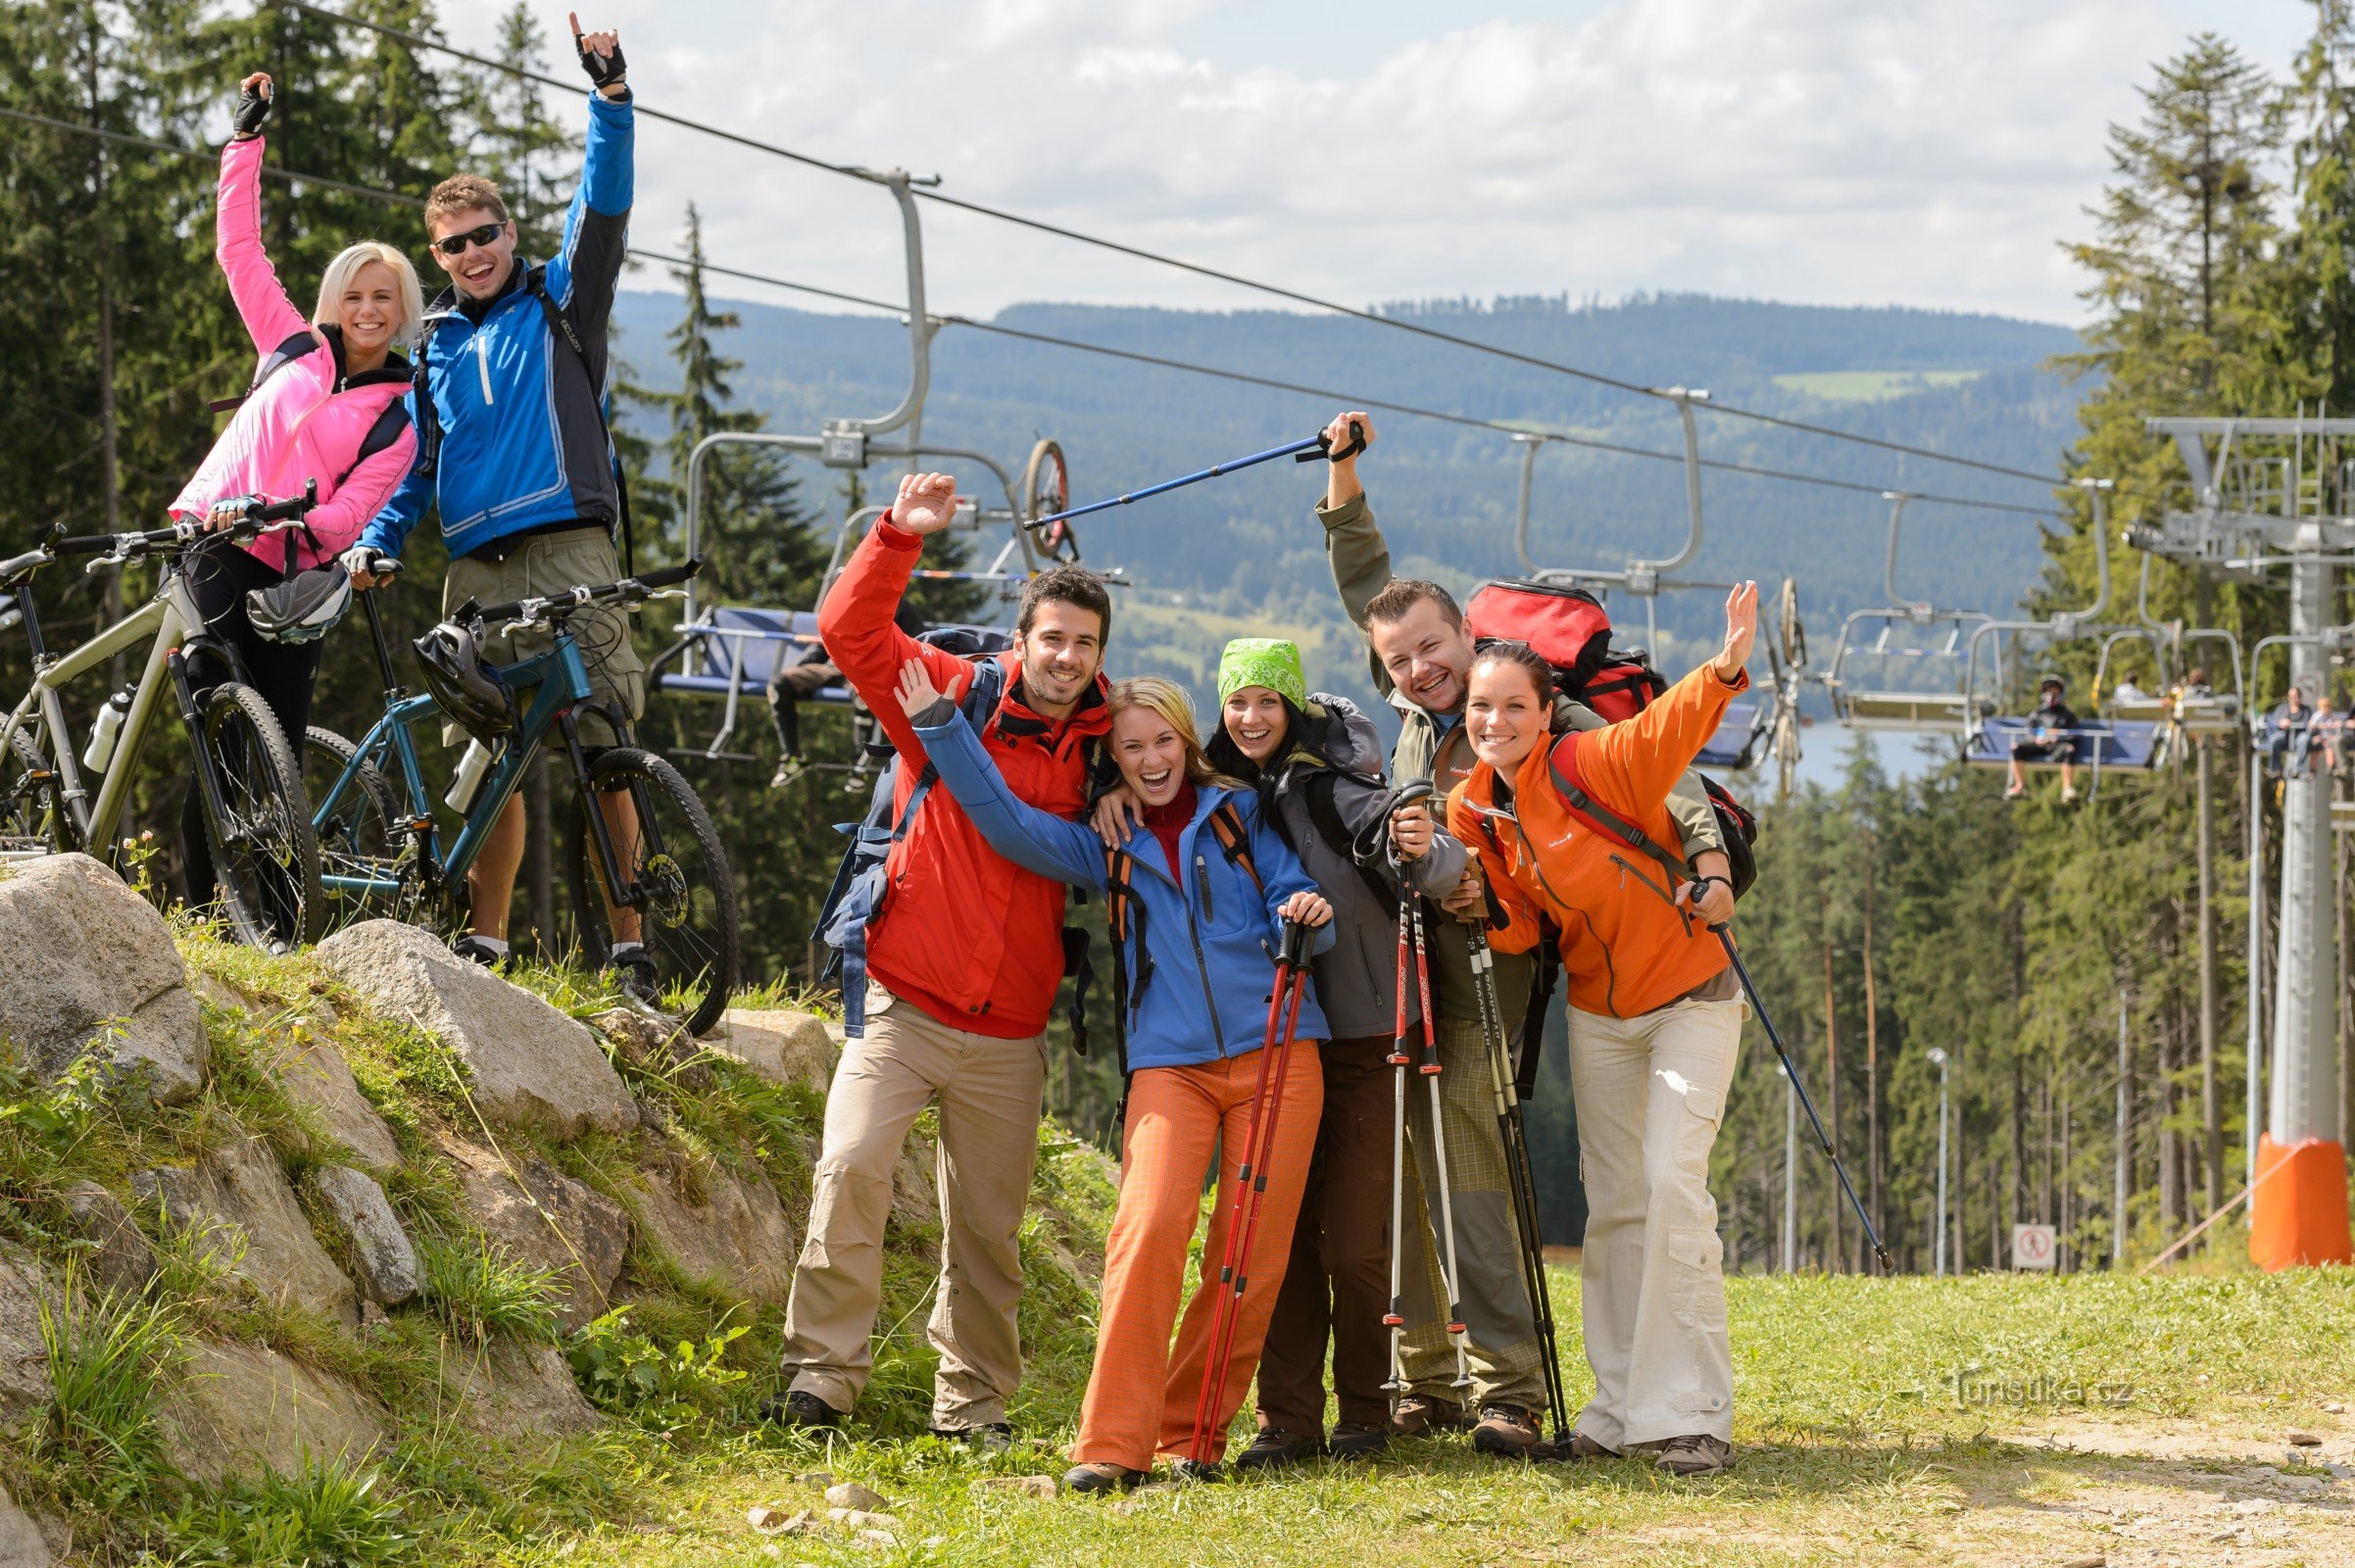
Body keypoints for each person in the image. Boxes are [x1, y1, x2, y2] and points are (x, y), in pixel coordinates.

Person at [1312, 411, 1733, 1458]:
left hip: (1495, 983)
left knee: (1478, 1175)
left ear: (1471, 641)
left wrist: (1709, 864)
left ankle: (1506, 1388)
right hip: (1410, 979)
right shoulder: (1414, 712)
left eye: (1433, 649)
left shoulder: (1528, 709)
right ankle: (1427, 1380)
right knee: (1410, 1164)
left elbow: (1658, 776)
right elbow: (1366, 581)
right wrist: (1344, 477)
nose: (1418, 668)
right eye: (1400, 658)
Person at [896, 661, 1336, 1492]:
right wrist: (942, 731)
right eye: (1132, 746)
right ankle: (1111, 1444)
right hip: (1170, 1065)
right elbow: (1008, 823)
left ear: (1184, 741)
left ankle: (1190, 1436)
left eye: (1164, 738)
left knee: (1247, 1255)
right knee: (1147, 1232)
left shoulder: (1239, 813)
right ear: (1116, 758)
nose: (1151, 757)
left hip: (1280, 1051)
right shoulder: (1106, 842)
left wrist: (1305, 906)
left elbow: (1296, 888)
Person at [767, 472, 1114, 1444]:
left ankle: (971, 1406)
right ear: (1023, 640)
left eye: (1086, 645)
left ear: (1099, 658)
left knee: (991, 1234)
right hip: (903, 1001)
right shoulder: (950, 691)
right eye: (1053, 637)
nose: (1066, 657)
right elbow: (848, 633)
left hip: (1010, 1029)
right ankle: (822, 1379)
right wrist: (896, 535)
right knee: (849, 1166)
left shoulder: (1106, 755)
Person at [1418, 582, 1759, 1480]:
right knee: (1615, 1207)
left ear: (1543, 712)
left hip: (1691, 994)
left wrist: (1722, 667)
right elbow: (1526, 930)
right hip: (1601, 1017)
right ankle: (1618, 1409)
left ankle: (1690, 1415)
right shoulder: (1474, 808)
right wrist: (1477, 905)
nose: (1493, 721)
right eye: (1481, 707)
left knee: (1670, 1184)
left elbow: (1667, 732)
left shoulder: (1591, 763)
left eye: (1512, 707)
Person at [349, 17, 644, 979]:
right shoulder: (436, 345)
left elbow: (602, 208)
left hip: (570, 549)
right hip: (473, 566)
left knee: (605, 745)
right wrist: (385, 539)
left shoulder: (562, 301)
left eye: (484, 235)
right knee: (491, 754)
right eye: (451, 245)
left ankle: (634, 949)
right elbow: (420, 465)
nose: (471, 253)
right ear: (434, 256)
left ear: (510, 233)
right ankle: (486, 942)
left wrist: (609, 96)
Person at [1199, 640, 1465, 1468]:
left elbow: (1411, 847)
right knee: (1275, 1235)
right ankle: (1285, 1420)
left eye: (1266, 702)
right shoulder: (1212, 791)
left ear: (1292, 707)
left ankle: (1363, 1409)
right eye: (1236, 702)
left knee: (1350, 1243)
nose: (1250, 718)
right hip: (1264, 1040)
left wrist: (1419, 838)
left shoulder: (1335, 784)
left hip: (1358, 1040)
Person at [171, 71, 421, 925]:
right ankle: (202, 908)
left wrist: (296, 521)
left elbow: (352, 515)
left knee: (276, 747)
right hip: (213, 543)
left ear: (403, 310)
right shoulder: (288, 344)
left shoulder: (397, 421)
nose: (366, 308)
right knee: (214, 704)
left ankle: (273, 922)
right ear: (331, 303)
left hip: (295, 579)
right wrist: (245, 141)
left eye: (382, 297)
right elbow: (240, 252)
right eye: (353, 295)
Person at [2005, 676, 2080, 802]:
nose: (2051, 695)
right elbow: (2027, 731)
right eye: (2049, 691)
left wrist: (2057, 738)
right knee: (2016, 748)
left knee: (2070, 749)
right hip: (2037, 745)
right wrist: (2035, 739)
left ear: (2060, 693)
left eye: (2054, 691)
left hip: (2056, 746)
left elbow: (2073, 735)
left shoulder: (2067, 715)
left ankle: (2067, 789)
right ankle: (2020, 786)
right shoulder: (2037, 713)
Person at [2266, 684, 2310, 777]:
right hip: (2283, 735)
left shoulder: (2305, 710)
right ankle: (2275, 769)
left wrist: (2293, 724)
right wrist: (2280, 722)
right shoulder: (2282, 708)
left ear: (2300, 697)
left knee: (2304, 739)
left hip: (2298, 736)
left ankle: (2299, 768)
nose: (2294, 699)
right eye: (2291, 697)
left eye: (2296, 696)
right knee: (2274, 740)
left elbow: (2307, 722)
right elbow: (2273, 720)